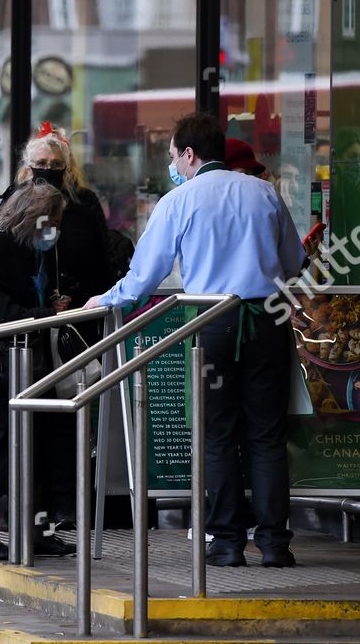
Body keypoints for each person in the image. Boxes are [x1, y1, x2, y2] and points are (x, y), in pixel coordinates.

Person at [88, 112, 304, 568]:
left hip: (211, 323)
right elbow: (294, 261)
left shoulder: (179, 201)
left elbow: (144, 278)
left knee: (218, 434)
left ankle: (225, 542)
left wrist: (104, 301)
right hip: (267, 320)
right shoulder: (265, 192)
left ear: (189, 154)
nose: (172, 165)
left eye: (172, 156)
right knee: (267, 435)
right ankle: (274, 545)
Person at [0, 183, 75, 559]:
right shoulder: (1, 246)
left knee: (38, 443)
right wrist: (40, 314)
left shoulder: (37, 251)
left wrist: (51, 303)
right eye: (53, 221)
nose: (56, 230)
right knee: (2, 442)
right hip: (5, 362)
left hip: (33, 360)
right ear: (34, 217)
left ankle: (36, 529)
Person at [0, 123, 112, 322]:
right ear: (28, 166)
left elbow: (102, 263)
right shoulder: (14, 203)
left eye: (56, 164)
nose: (48, 170)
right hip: (25, 321)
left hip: (77, 316)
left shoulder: (82, 204)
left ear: (66, 168)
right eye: (41, 163)